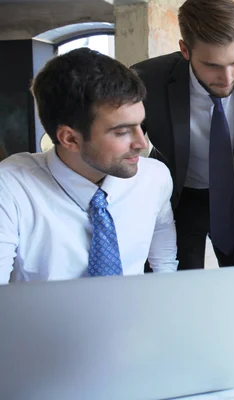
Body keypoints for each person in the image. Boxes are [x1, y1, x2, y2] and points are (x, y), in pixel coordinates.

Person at [0, 48, 178, 284]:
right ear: (70, 138)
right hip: (41, 321)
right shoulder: (11, 188)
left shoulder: (154, 177)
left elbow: (164, 256)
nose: (141, 143)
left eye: (140, 125)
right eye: (122, 132)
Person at [133, 0, 234, 270]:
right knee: (177, 284)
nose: (227, 78)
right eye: (212, 65)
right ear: (185, 50)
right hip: (178, 195)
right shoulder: (147, 79)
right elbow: (128, 149)